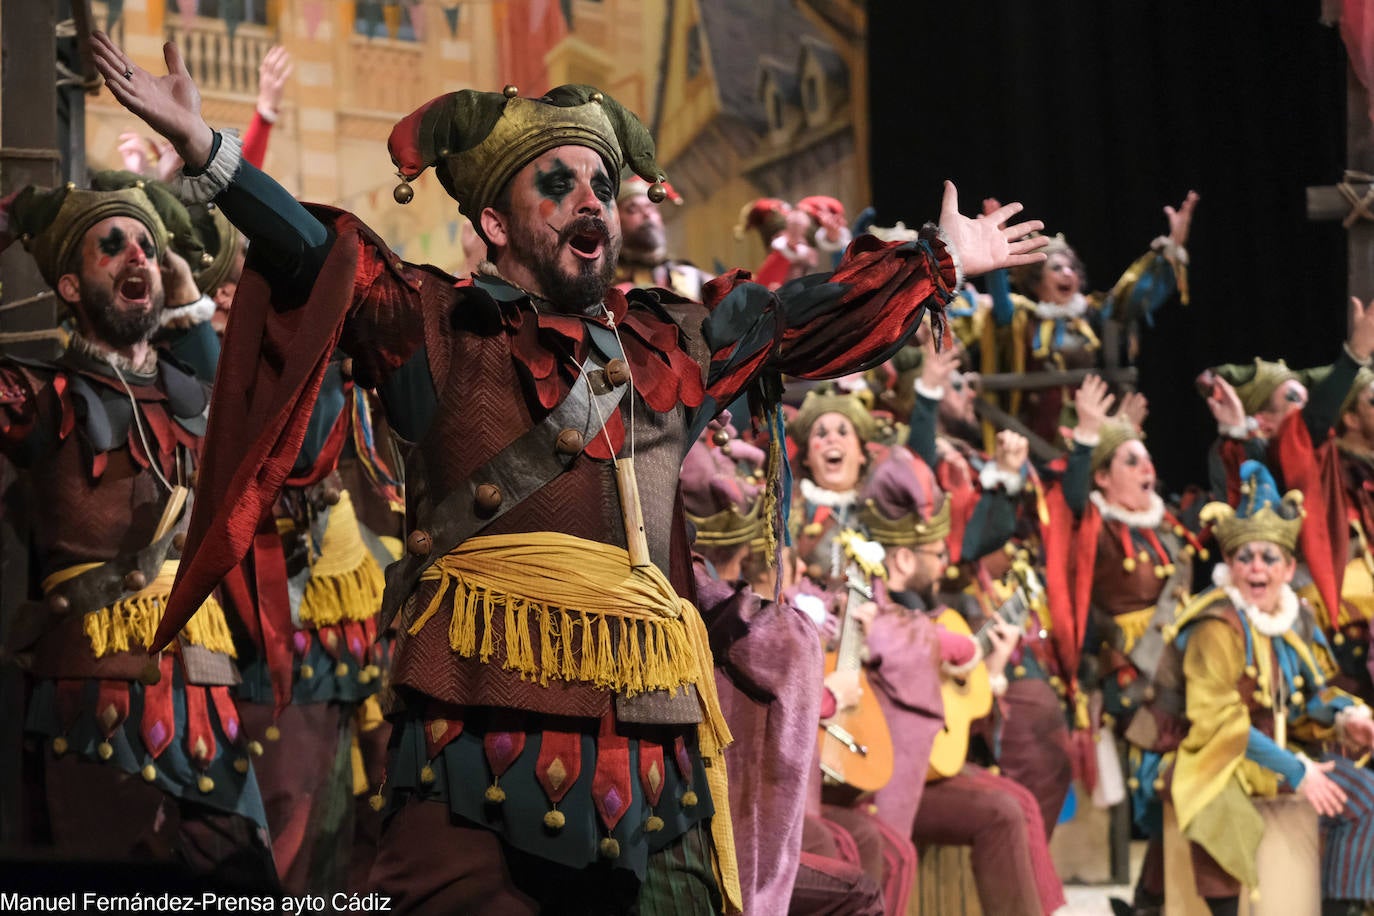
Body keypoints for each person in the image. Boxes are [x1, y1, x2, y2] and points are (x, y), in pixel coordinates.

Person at [91, 31, 1046, 912]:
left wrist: (936, 260)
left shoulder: (672, 339)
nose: (594, 199)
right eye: (559, 183)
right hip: (473, 734)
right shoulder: (435, 325)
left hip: (656, 747)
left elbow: (799, 313)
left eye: (601, 182)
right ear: (496, 224)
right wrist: (216, 156)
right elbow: (314, 255)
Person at [0, 176, 274, 883]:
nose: (137, 257)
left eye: (148, 247)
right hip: (91, 695)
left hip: (207, 693)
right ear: (68, 285)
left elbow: (249, 430)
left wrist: (186, 290)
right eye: (112, 245)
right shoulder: (37, 394)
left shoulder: (190, 392)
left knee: (244, 886)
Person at [856, 448, 1066, 916]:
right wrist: (966, 656)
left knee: (1020, 802)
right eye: (936, 552)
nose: (946, 562)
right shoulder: (870, 610)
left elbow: (956, 706)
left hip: (922, 767)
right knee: (1004, 811)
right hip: (879, 777)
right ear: (905, 559)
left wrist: (988, 671)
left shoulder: (921, 612)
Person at [1168, 462, 1374, 914]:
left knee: (1364, 795)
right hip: (1216, 756)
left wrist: (1350, 716)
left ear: (1288, 567)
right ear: (1229, 564)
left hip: (1281, 750)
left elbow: (1313, 691)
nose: (1256, 568)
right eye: (1245, 557)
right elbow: (1217, 721)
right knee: (1218, 811)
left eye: (1268, 558)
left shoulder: (1294, 616)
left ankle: (1341, 909)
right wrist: (1296, 769)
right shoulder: (1216, 625)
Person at [614, 175, 712, 300]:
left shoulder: (694, 278)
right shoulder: (606, 284)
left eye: (651, 207)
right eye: (633, 209)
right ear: (615, 222)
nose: (646, 214)